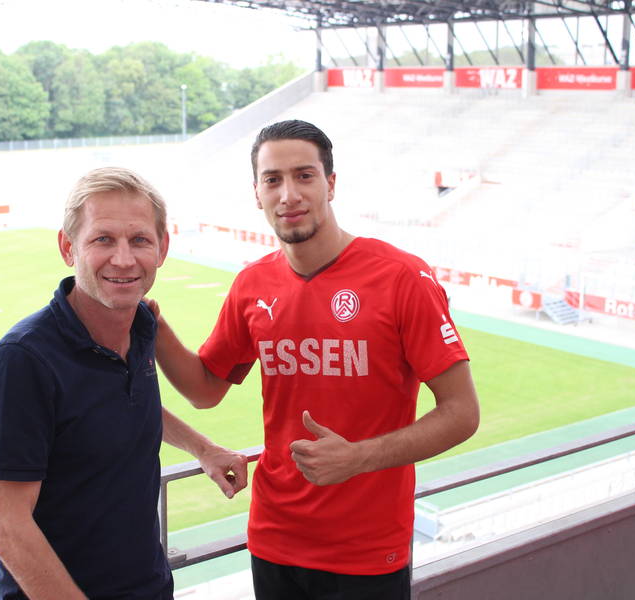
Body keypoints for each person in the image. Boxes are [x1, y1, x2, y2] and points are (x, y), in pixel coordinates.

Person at [151, 120, 480, 599]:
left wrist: (357, 458)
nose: (289, 194)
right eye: (273, 180)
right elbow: (205, 389)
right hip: (273, 539)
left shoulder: (401, 278)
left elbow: (462, 412)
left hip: (366, 551)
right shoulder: (252, 285)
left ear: (330, 183)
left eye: (304, 176)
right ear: (257, 193)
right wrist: (154, 328)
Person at [0, 166, 249, 600]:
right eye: (103, 239)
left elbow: (122, 401)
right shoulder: (22, 362)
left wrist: (203, 448)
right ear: (69, 248)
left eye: (139, 240)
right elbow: (7, 527)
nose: (123, 259)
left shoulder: (142, 322)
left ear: (162, 248)